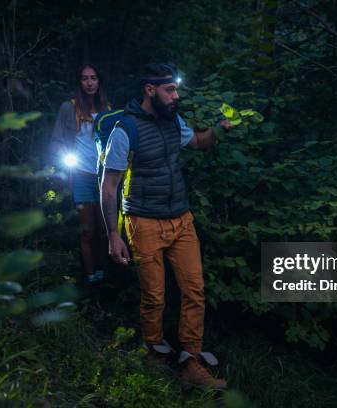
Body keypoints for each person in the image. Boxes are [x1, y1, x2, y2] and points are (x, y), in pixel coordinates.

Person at [100, 63, 231, 389]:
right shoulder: (124, 129)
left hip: (181, 219)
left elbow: (198, 143)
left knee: (194, 291)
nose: (176, 95)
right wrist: (113, 234)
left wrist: (218, 131)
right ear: (150, 90)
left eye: (176, 89)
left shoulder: (174, 122)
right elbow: (108, 186)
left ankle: (191, 366)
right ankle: (155, 360)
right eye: (170, 90)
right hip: (142, 221)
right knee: (154, 296)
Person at [51, 62, 109, 286]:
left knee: (105, 230)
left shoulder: (107, 109)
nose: (89, 82)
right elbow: (56, 140)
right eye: (85, 78)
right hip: (81, 176)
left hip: (104, 178)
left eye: (93, 78)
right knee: (88, 231)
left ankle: (103, 274)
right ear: (79, 82)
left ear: (99, 81)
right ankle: (90, 276)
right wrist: (66, 167)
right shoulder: (69, 108)